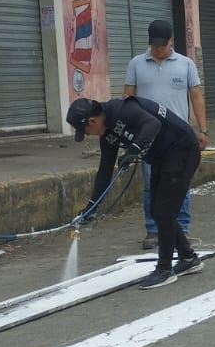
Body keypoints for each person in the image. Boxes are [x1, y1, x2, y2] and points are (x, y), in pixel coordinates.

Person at [68, 95, 202, 289]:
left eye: (85, 131)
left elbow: (152, 124)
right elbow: (105, 171)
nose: (87, 135)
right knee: (158, 211)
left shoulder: (123, 109)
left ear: (92, 121)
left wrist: (133, 149)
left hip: (183, 149)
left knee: (164, 211)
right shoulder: (107, 136)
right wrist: (91, 207)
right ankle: (188, 258)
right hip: (161, 158)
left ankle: (164, 269)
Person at [123, 19, 206, 250]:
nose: (158, 49)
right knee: (151, 183)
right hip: (148, 136)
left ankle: (182, 228)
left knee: (179, 182)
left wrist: (203, 129)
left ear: (171, 41)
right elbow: (127, 98)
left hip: (179, 136)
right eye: (154, 45)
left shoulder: (186, 64)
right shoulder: (136, 64)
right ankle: (153, 230)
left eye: (162, 45)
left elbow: (196, 96)